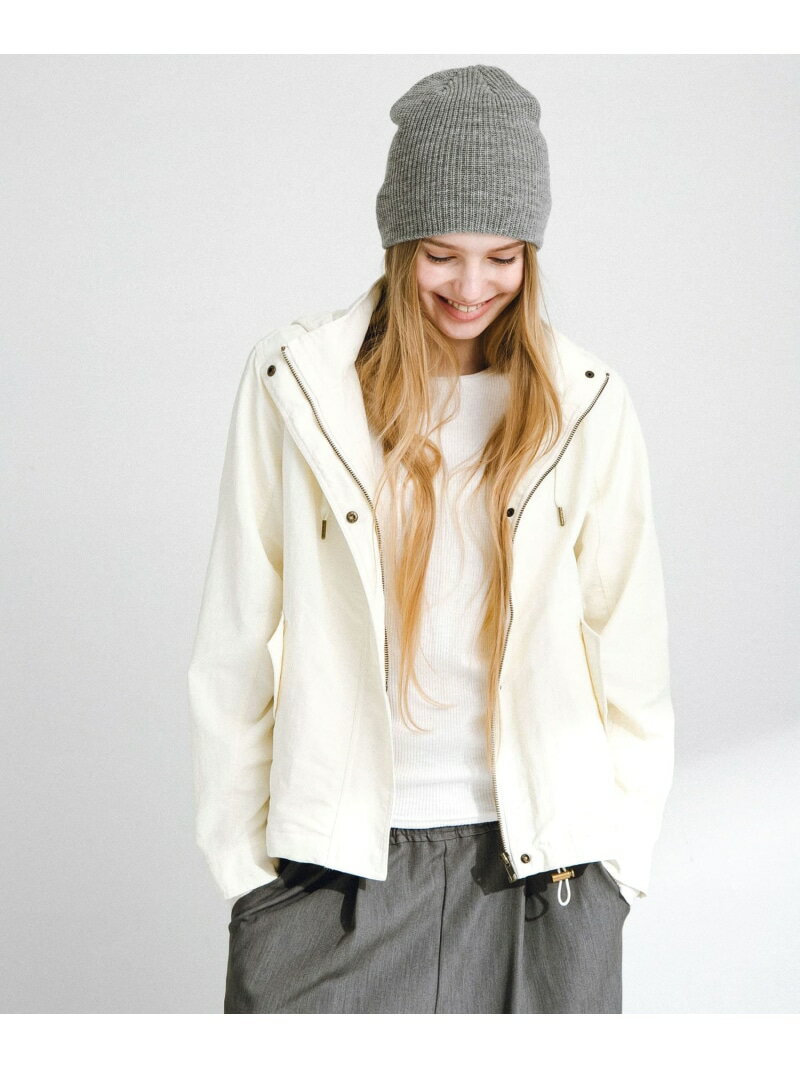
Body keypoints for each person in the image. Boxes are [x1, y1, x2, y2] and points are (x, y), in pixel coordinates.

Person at [187, 64, 675, 1014]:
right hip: (335, 874)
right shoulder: (299, 384)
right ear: (398, 241)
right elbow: (234, 639)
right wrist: (250, 878)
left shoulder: (585, 403)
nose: (472, 286)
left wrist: (619, 869)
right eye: (442, 254)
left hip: (545, 876)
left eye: (504, 256)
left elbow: (632, 653)